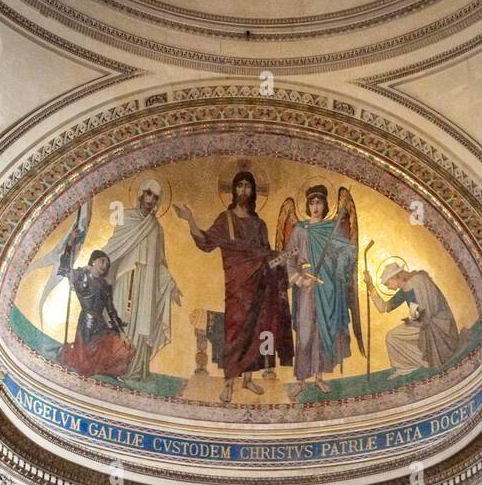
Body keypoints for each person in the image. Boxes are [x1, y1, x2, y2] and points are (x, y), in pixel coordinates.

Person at [174, 170, 294, 404]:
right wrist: (190, 220)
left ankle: (248, 380)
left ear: (253, 191)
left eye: (248, 186)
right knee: (234, 333)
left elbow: (266, 255)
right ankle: (229, 383)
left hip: (260, 286)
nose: (243, 190)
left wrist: (283, 259)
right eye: (240, 186)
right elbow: (206, 242)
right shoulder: (225, 218)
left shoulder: (259, 224)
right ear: (234, 190)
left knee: (257, 332)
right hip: (237, 287)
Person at [278, 185, 359, 397]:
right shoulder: (300, 230)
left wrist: (340, 262)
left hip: (327, 286)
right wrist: (299, 280)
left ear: (325, 205)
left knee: (323, 333)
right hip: (306, 287)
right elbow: (288, 258)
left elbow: (348, 251)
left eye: (319, 202)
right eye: (312, 203)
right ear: (307, 205)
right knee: (305, 331)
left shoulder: (332, 228)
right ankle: (301, 380)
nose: (315, 207)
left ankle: (319, 378)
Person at [100, 179, 181, 381]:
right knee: (119, 316)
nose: (151, 200)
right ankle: (112, 364)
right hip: (125, 278)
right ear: (141, 194)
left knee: (140, 322)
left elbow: (160, 262)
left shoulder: (157, 229)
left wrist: (171, 284)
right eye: (148, 194)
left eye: (155, 197)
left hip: (146, 285)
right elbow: (114, 246)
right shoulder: (127, 217)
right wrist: (94, 265)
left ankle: (133, 370)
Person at [364, 262, 461, 375]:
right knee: (392, 336)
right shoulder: (404, 290)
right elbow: (384, 307)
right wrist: (371, 286)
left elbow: (428, 308)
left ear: (395, 277)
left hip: (437, 322)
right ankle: (407, 366)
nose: (388, 287)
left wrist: (414, 319)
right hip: (422, 322)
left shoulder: (419, 280)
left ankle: (420, 362)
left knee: (392, 336)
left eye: (387, 284)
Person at [58, 249, 134, 378]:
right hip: (86, 323)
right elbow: (64, 269)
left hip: (100, 324)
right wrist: (70, 246)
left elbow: (111, 310)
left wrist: (121, 332)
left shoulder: (105, 286)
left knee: (124, 347)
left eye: (107, 264)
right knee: (85, 362)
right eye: (102, 261)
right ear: (93, 261)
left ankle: (102, 369)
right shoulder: (80, 275)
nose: (104, 265)